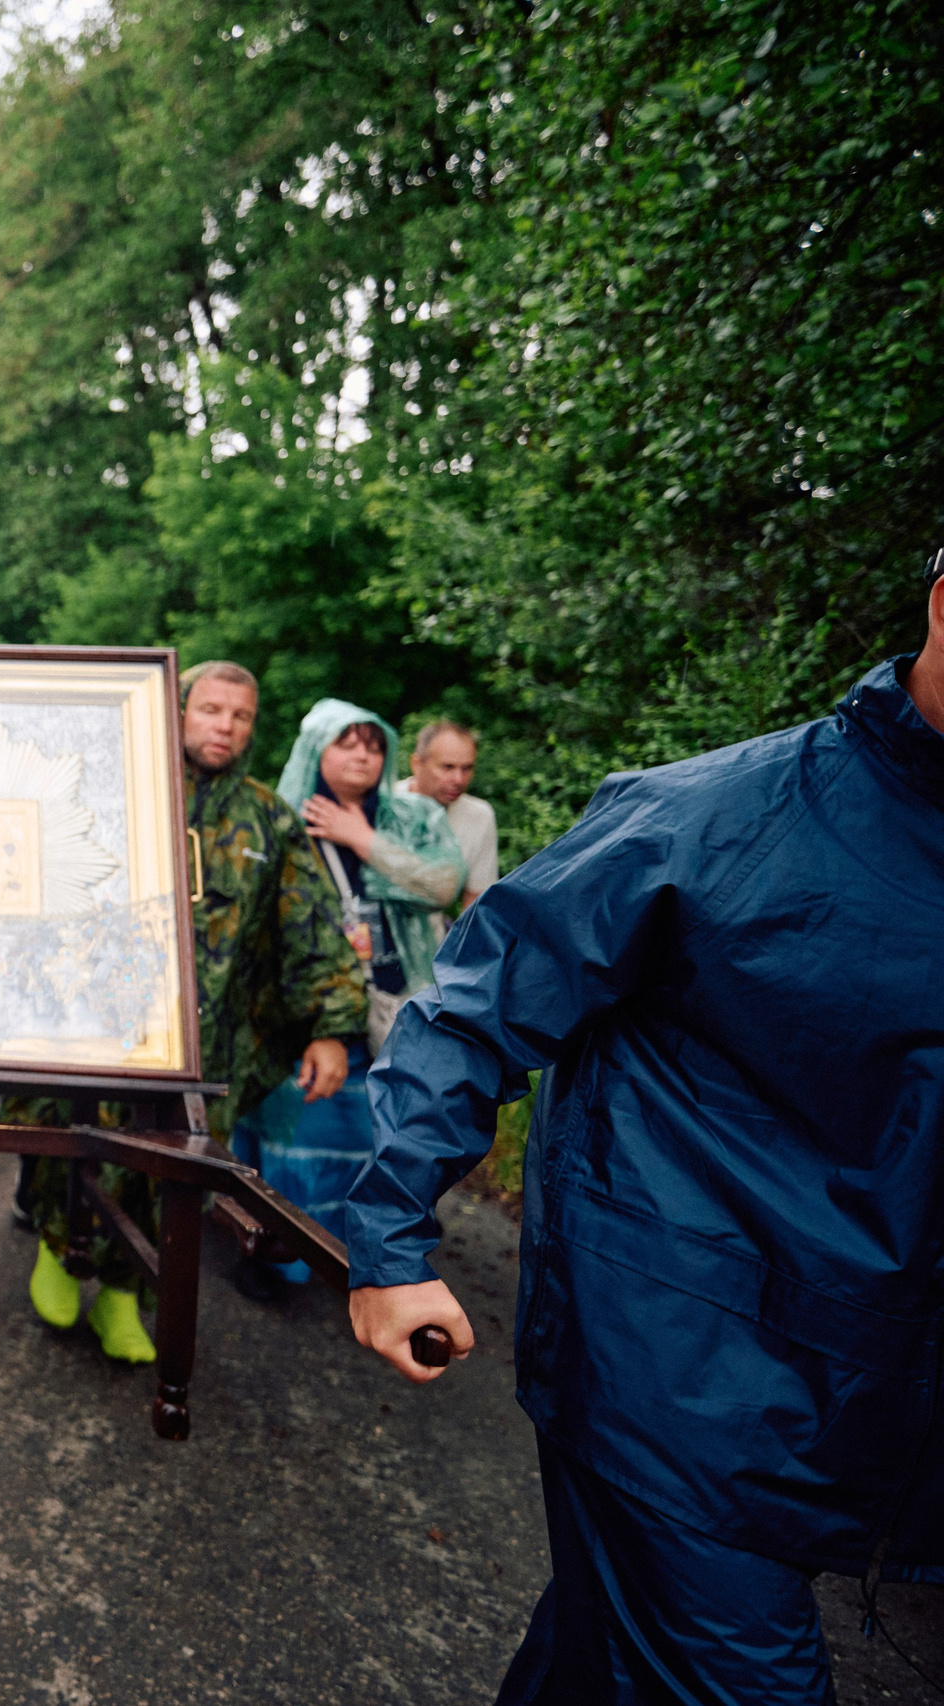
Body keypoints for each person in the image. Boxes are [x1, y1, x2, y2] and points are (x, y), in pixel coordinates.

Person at [346, 560, 944, 1701]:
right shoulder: (714, 817)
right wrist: (388, 1240)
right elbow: (477, 1000)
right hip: (672, 1363)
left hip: (862, 1384)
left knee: (597, 1659)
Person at [23, 661, 368, 1337]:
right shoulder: (117, 791)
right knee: (75, 1139)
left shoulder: (268, 819)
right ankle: (60, 1253)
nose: (225, 727)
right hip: (100, 1027)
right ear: (178, 710)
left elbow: (310, 925)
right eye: (211, 710)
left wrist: (331, 1028)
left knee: (175, 1171)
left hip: (208, 1044)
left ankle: (125, 1291)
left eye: (241, 716)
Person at [225, 702, 463, 1297]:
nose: (362, 756)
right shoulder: (279, 818)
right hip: (302, 1011)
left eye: (374, 745)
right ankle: (280, 1257)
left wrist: (364, 840)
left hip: (395, 1007)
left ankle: (358, 1259)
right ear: (316, 749)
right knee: (296, 1138)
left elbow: (444, 884)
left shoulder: (414, 815)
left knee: (375, 1139)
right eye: (346, 743)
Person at [398, 718, 497, 910]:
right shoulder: (384, 804)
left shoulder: (479, 816)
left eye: (467, 768)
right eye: (447, 767)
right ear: (416, 764)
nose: (459, 779)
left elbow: (476, 900)